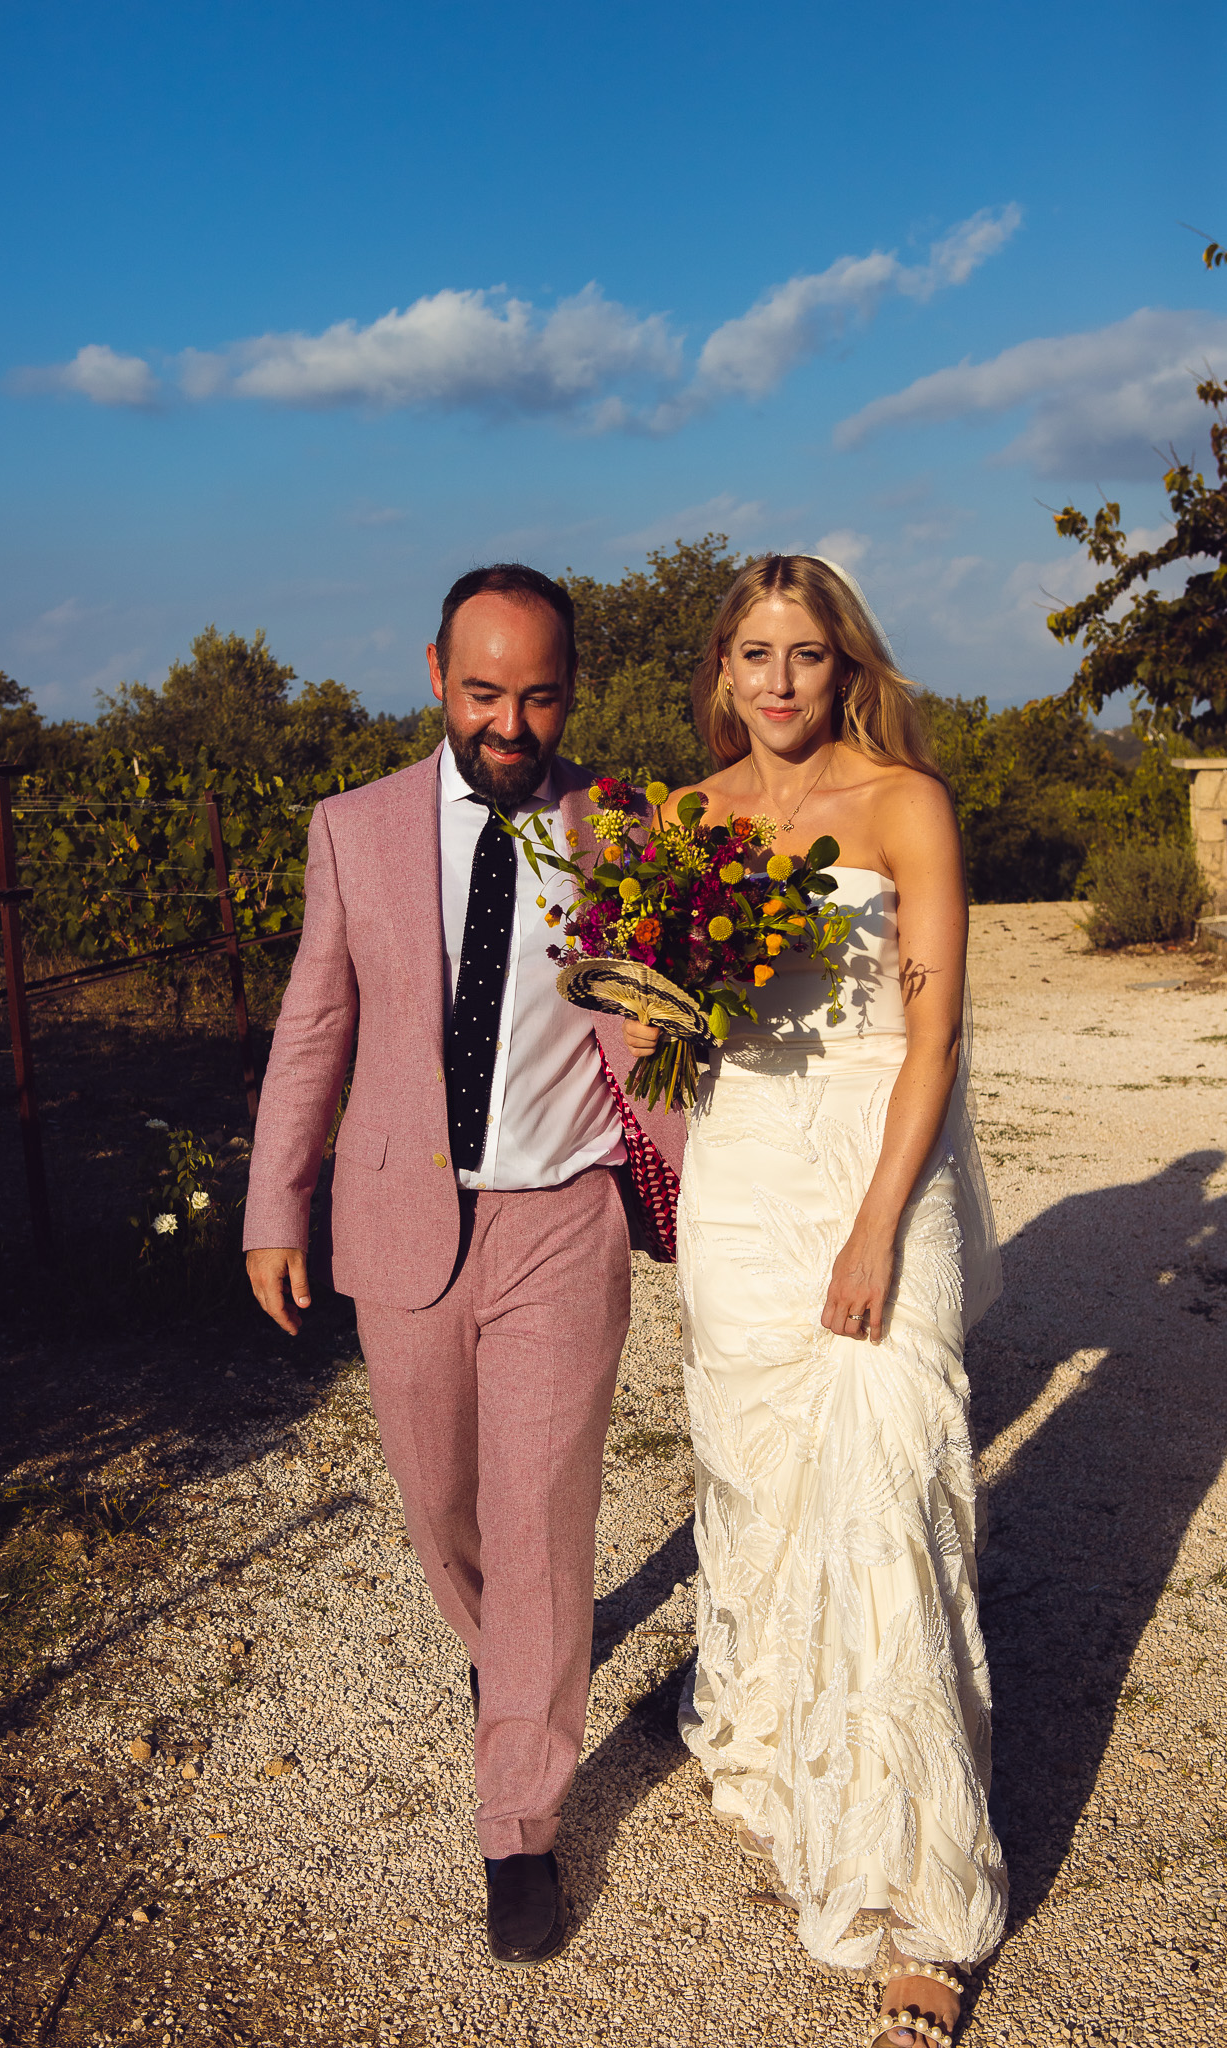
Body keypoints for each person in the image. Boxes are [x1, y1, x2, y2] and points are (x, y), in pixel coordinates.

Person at [243, 563, 683, 1967]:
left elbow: (686, 1003)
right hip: (402, 1228)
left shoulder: (622, 827)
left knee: (544, 1512)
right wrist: (274, 1206)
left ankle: (520, 1822)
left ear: (571, 690)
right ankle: (505, 1654)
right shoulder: (351, 831)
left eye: (539, 693)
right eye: (484, 690)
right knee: (445, 1505)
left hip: (563, 1219)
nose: (510, 720)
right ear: (435, 671)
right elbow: (315, 1026)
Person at [622, 556, 1006, 2048]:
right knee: (763, 1478)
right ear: (720, 669)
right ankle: (781, 1758)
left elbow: (930, 1041)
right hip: (735, 1185)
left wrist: (875, 1228)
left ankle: (915, 1901)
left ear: (845, 665)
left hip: (867, 1176)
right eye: (752, 656)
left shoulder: (904, 804)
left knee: (885, 1493)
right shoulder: (690, 820)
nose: (778, 683)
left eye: (805, 655)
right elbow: (672, 1024)